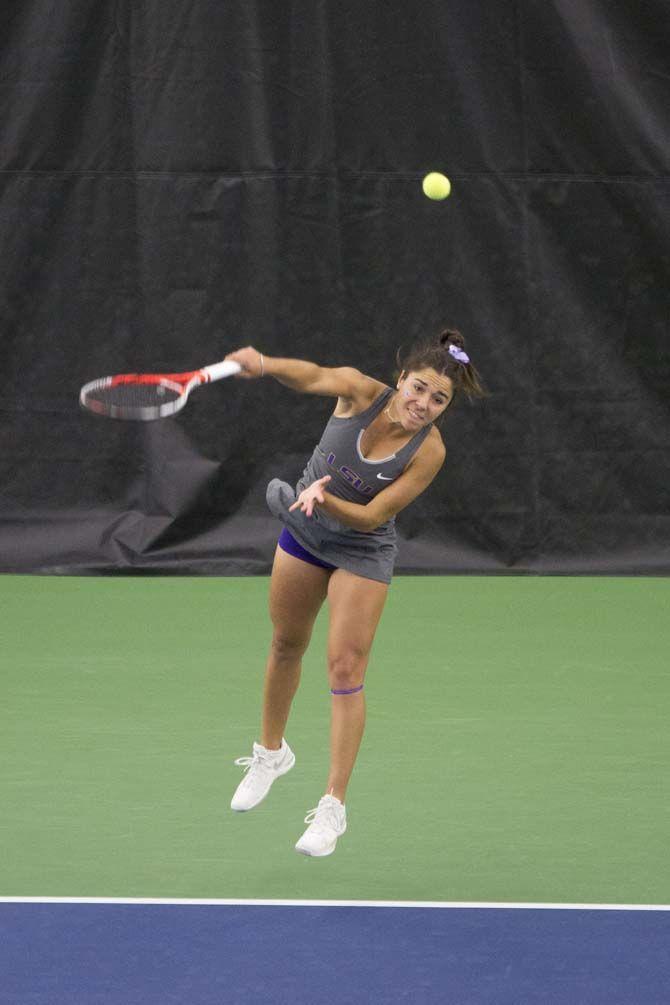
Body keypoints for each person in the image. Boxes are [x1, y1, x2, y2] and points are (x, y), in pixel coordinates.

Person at [225, 330, 485, 857]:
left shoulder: (429, 451)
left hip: (362, 548)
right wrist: (265, 361)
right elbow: (313, 375)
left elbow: (372, 515)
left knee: (345, 669)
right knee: (284, 644)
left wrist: (324, 497)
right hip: (304, 528)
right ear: (400, 380)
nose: (424, 404)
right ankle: (271, 753)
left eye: (439, 399)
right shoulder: (359, 393)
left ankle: (332, 808)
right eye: (418, 388)